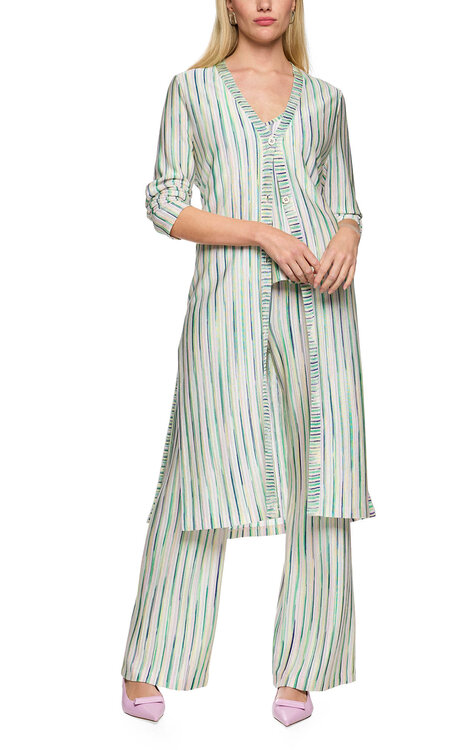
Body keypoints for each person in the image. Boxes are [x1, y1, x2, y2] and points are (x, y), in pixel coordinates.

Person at [120, 0, 376, 727]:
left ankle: (304, 669)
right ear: (228, 4)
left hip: (322, 302)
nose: (264, 2)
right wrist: (261, 233)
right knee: (199, 469)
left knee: (321, 476)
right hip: (228, 300)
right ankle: (152, 655)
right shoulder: (192, 89)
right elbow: (166, 206)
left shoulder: (326, 99)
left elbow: (345, 202)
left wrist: (349, 234)